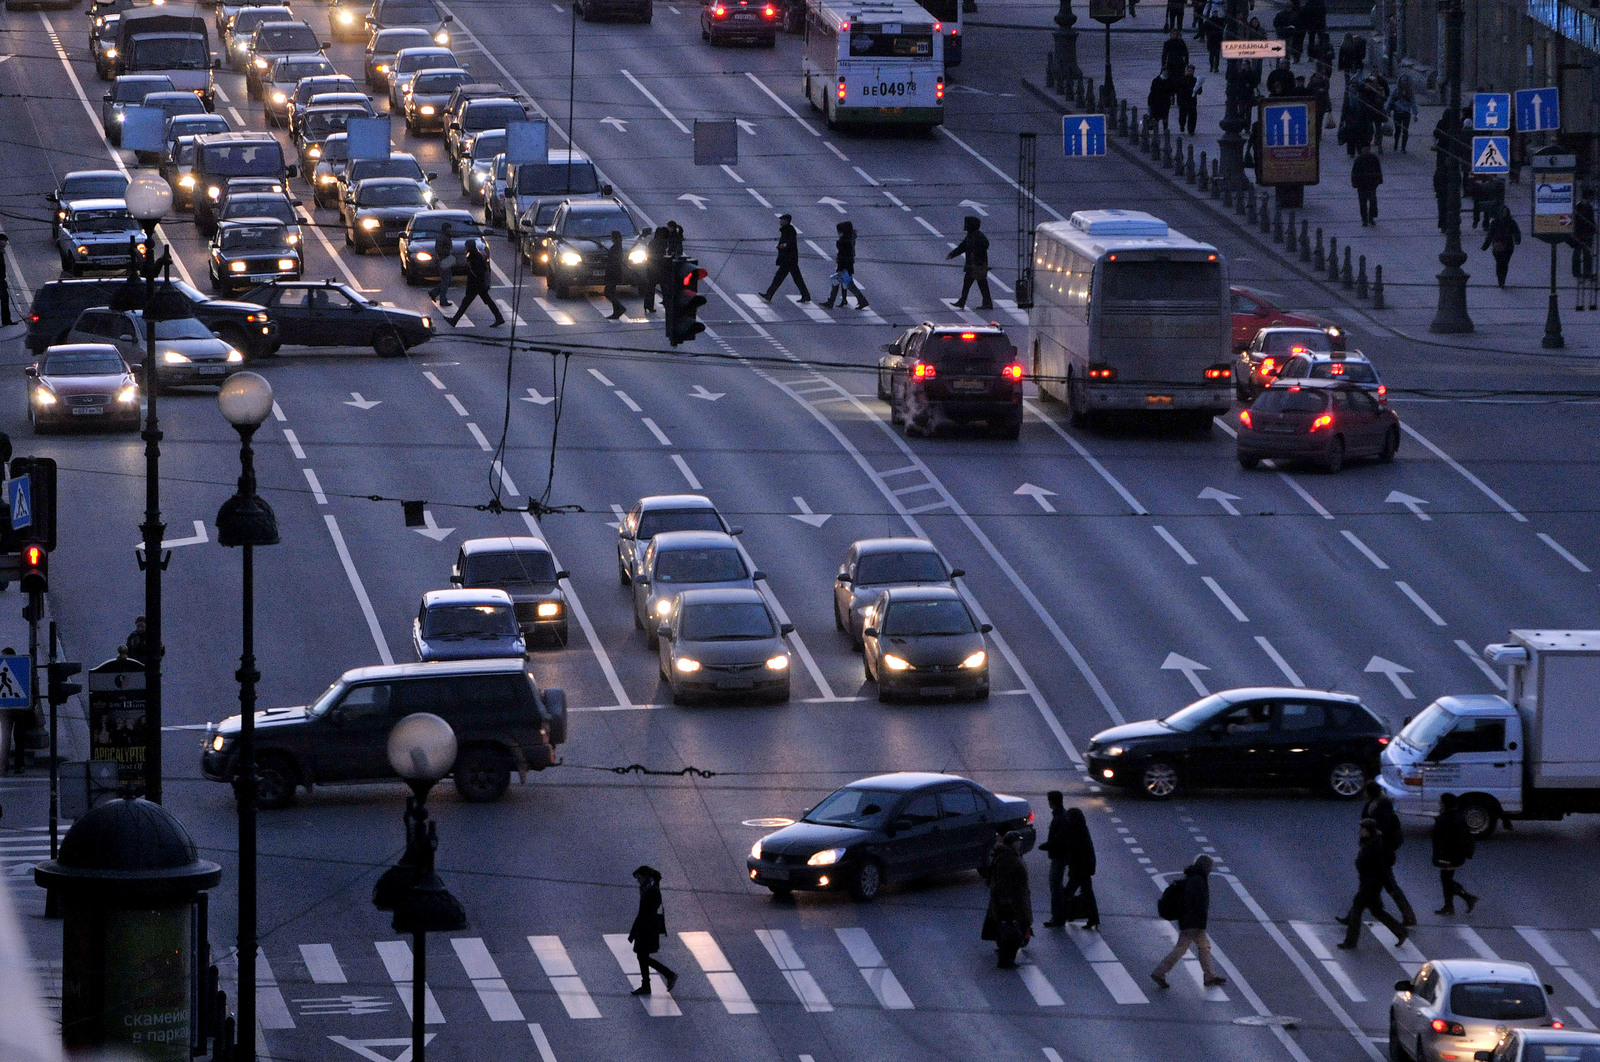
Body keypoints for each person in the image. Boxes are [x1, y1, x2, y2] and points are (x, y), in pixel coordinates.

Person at [1152, 855, 1225, 989]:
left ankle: (1210, 976)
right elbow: (1197, 902)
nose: (1210, 869)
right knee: (1182, 949)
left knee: (1204, 947)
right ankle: (1159, 972)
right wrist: (1199, 919)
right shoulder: (1198, 880)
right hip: (1193, 923)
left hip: (1191, 921)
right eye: (1210, 866)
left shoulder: (1194, 877)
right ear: (1205, 866)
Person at [1336, 819, 1409, 949]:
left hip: (1370, 884)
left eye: (1362, 829)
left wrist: (1368, 879)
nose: (1360, 831)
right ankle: (1401, 931)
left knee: (1357, 910)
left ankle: (1350, 942)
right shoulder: (1370, 842)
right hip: (1370, 883)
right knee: (1377, 911)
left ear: (1369, 831)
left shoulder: (1374, 846)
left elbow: (1375, 867)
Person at [1361, 781, 1417, 925]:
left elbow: (1383, 829)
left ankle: (1408, 917)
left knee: (1388, 886)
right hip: (1373, 852)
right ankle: (1353, 916)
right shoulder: (1372, 804)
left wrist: (1370, 830)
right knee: (1369, 887)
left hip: (1381, 854)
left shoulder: (1383, 807)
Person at [983, 832, 1032, 968]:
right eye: (1018, 841)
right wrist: (1006, 902)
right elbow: (1003, 883)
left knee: (1011, 929)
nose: (1020, 843)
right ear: (1012, 843)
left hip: (1017, 899)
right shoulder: (1007, 858)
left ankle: (1007, 957)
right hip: (1012, 901)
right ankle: (1006, 959)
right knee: (1012, 931)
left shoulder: (1011, 855)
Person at [627, 865, 678, 994]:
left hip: (647, 928)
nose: (638, 880)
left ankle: (668, 975)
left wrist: (635, 931)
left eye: (639, 878)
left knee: (642, 956)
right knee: (642, 956)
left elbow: (644, 912)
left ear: (645, 877)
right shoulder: (648, 889)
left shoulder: (651, 891)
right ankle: (649, 984)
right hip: (646, 927)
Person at [1432, 794, 1479, 916]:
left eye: (1441, 802)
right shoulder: (1459, 816)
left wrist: (1439, 856)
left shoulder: (1446, 819)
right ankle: (1449, 906)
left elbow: (1442, 839)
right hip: (1456, 855)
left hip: (1448, 856)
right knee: (1447, 879)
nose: (1439, 804)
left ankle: (1466, 898)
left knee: (1446, 880)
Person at [449, 241, 505, 327]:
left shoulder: (473, 256)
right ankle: (499, 317)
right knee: (486, 301)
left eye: (466, 246)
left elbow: (477, 271)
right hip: (479, 284)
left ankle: (454, 320)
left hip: (475, 285)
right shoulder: (476, 255)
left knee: (466, 303)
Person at [760, 214, 810, 303]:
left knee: (779, 278)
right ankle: (806, 296)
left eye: (782, 220)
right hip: (789, 259)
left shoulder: (790, 230)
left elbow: (789, 243)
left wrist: (781, 246)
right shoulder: (786, 230)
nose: (780, 221)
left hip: (789, 259)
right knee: (796, 278)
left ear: (786, 221)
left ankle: (769, 294)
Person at [946, 215, 992, 310]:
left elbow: (985, 245)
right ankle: (964, 301)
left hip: (978, 265)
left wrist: (976, 254)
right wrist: (952, 254)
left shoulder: (978, 236)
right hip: (973, 265)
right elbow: (962, 247)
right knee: (971, 283)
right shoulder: (971, 235)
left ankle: (985, 303)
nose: (965, 226)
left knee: (980, 284)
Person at [1040, 791, 1071, 927]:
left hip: (1059, 856)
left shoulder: (1060, 817)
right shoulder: (1060, 815)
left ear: (1052, 801)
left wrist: (1047, 846)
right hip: (1059, 855)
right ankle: (1060, 915)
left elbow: (1059, 838)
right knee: (1056, 886)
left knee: (1055, 886)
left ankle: (1058, 917)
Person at [821, 220, 868, 310]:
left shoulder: (843, 241)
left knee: (846, 283)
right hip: (848, 267)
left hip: (844, 268)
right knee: (841, 282)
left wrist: (840, 268)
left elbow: (842, 256)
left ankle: (832, 302)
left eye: (839, 230)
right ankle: (832, 301)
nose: (838, 232)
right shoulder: (850, 239)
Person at [1483, 205, 1522, 288]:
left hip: (1507, 246)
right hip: (1498, 245)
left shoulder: (1510, 222)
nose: (1504, 214)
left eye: (1506, 212)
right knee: (1500, 263)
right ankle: (1501, 279)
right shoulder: (1496, 222)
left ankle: (1502, 279)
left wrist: (1517, 239)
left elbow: (1516, 232)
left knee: (1504, 263)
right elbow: (1490, 235)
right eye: (1503, 212)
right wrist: (1485, 245)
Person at [0, 647, 23, 775]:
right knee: (15, 739)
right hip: (18, 709)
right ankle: (16, 766)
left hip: (11, 710)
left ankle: (4, 766)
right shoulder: (20, 668)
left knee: (8, 738)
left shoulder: (19, 668)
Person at [1352, 144, 1383, 226]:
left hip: (1369, 184)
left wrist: (1379, 180)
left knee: (1371, 201)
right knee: (1364, 202)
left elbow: (1378, 169)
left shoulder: (1371, 159)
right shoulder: (1362, 159)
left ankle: (1370, 218)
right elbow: (1354, 172)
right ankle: (1365, 219)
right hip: (1364, 184)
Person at [1386, 74, 1417, 152]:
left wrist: (1415, 113)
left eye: (1405, 81)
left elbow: (1413, 102)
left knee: (1405, 130)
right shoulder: (1396, 90)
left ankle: (1403, 147)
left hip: (1406, 113)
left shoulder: (1409, 91)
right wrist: (1388, 110)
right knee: (1397, 130)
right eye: (1403, 80)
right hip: (1397, 112)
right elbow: (1391, 100)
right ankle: (1396, 144)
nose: (1404, 82)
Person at [602, 230, 627, 319]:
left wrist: (606, 260)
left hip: (613, 273)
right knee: (611, 292)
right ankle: (616, 312)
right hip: (615, 272)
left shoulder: (615, 248)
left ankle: (619, 308)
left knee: (608, 292)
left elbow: (614, 260)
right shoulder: (618, 247)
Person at [1572, 192, 1596, 281]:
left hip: (1580, 233)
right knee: (1585, 253)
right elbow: (1589, 220)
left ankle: (1578, 272)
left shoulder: (1578, 206)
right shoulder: (1587, 207)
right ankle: (1585, 272)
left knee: (1579, 253)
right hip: (1584, 233)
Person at [430, 221, 455, 307]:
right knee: (446, 280)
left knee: (447, 280)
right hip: (442, 261)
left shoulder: (445, 237)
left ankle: (434, 292)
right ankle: (442, 299)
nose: (451, 230)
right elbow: (439, 250)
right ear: (445, 229)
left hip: (445, 261)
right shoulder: (442, 238)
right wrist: (449, 252)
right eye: (449, 229)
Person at [1174, 66, 1201, 135]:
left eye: (1191, 71)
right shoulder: (1181, 79)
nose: (1190, 72)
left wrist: (1197, 91)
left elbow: (1200, 90)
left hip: (1192, 101)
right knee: (1182, 116)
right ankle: (1182, 125)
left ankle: (1191, 130)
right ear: (1186, 71)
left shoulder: (1195, 80)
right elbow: (1177, 89)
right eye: (1189, 71)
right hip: (1183, 100)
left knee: (1192, 116)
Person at [1201, 5, 1224, 72]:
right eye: (1214, 12)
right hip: (1211, 40)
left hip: (1218, 39)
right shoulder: (1209, 21)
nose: (1215, 14)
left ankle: (1216, 67)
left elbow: (1222, 29)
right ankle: (1211, 66)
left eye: (1216, 12)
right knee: (1211, 54)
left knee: (1217, 55)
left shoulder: (1220, 21)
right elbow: (1203, 28)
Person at [0, 231, 14, 327]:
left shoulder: (1, 252)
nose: (5, 244)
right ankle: (6, 320)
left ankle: (6, 320)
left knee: (5, 299)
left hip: (1, 281)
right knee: (4, 299)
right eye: (4, 241)